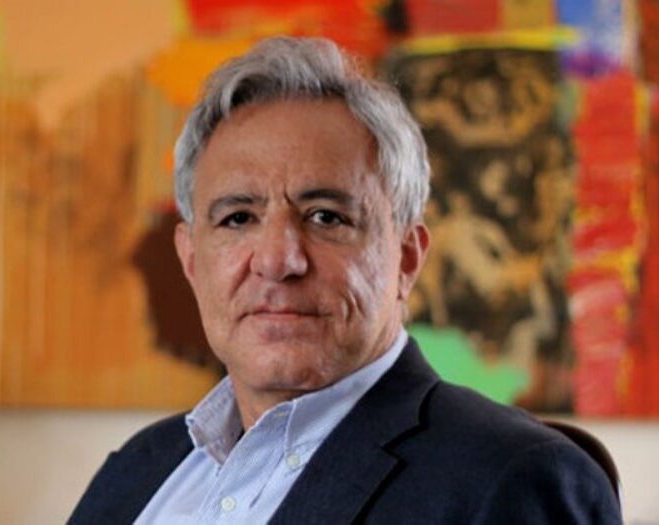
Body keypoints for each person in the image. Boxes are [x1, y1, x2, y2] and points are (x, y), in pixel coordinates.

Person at [69, 36, 621, 524]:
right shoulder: (137, 469)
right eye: (237, 218)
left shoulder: (514, 481)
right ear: (192, 261)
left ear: (407, 258)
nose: (278, 261)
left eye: (326, 217)